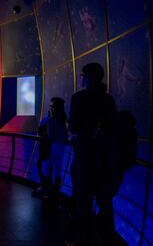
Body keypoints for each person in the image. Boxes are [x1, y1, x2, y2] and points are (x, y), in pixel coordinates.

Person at [69, 63, 118, 245]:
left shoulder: (78, 98)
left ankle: (82, 240)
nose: (81, 78)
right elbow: (113, 129)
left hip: (84, 158)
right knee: (105, 204)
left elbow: (73, 126)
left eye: (83, 75)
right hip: (103, 161)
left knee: (83, 202)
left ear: (88, 77)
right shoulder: (108, 100)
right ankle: (106, 240)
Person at [47, 97, 69, 200]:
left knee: (50, 168)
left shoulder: (51, 120)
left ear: (53, 108)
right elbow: (66, 134)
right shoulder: (64, 119)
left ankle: (51, 192)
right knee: (58, 170)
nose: (50, 108)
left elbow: (50, 136)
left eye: (51, 106)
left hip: (53, 146)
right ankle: (57, 192)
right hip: (61, 146)